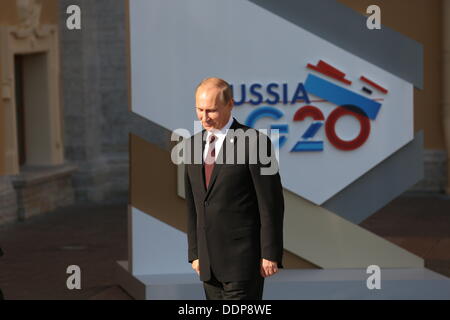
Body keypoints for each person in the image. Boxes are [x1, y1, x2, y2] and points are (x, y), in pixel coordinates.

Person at [184, 77, 284, 300]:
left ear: (230, 105)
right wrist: (195, 254)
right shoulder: (191, 145)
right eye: (199, 109)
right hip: (208, 265)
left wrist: (270, 253)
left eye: (211, 110)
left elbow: (271, 204)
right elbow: (193, 204)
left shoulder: (255, 143)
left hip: (244, 262)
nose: (204, 117)